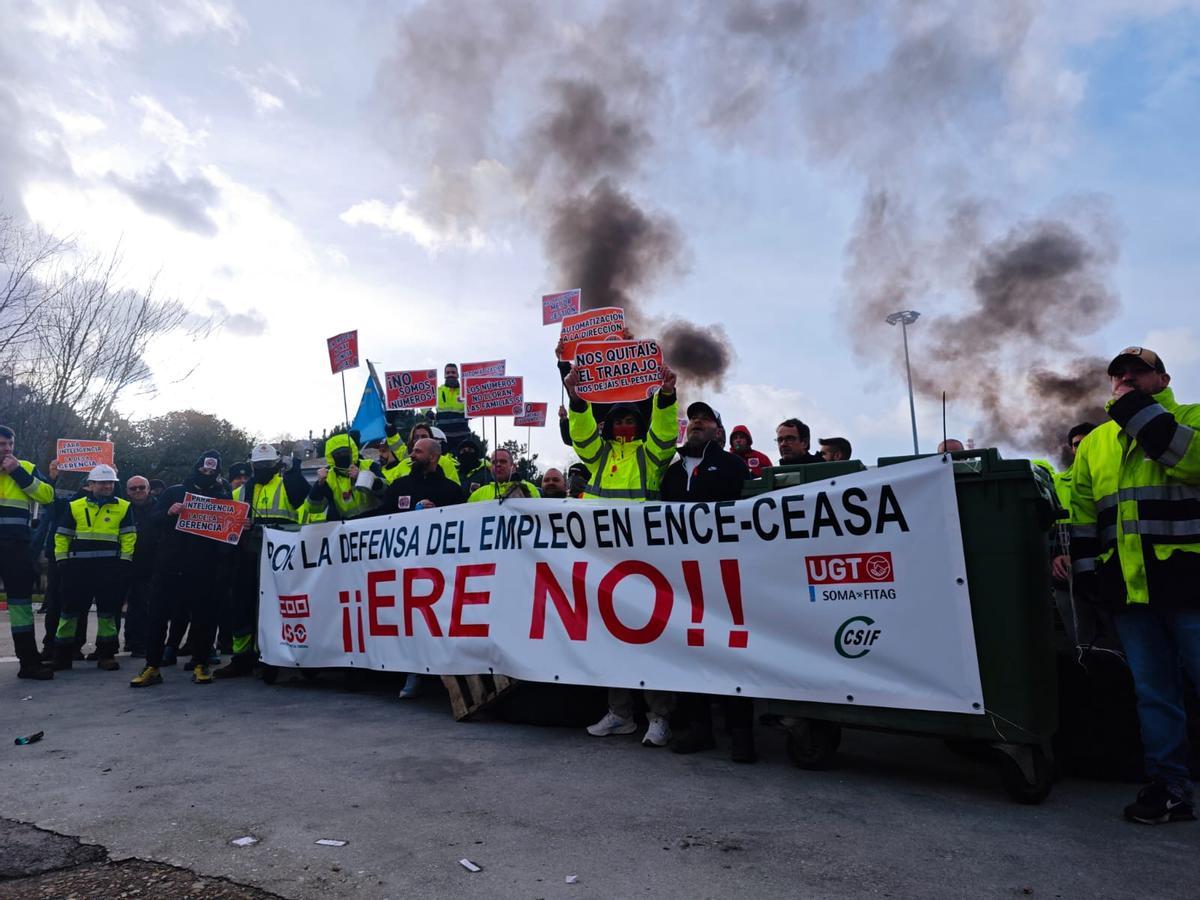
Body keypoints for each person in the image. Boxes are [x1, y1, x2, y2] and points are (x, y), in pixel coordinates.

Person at [1070, 346, 1200, 824]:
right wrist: (1086, 574)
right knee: (1154, 692)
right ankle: (1169, 788)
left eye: (1138, 373)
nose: (1125, 378)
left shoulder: (1192, 418)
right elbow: (1083, 514)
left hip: (1190, 581)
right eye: (1118, 374)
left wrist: (1135, 414)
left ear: (1162, 381)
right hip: (1129, 589)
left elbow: (1190, 462)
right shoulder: (1099, 443)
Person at [563, 364, 679, 744]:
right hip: (603, 563)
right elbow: (581, 437)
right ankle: (620, 713)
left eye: (630, 419)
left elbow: (664, 432)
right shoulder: (597, 456)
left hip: (647, 562)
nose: (623, 425)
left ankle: (659, 717)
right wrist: (578, 400)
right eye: (618, 420)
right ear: (609, 427)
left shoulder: (652, 455)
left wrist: (664, 396)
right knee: (610, 640)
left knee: (652, 641)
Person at [660, 402, 755, 760]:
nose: (697, 422)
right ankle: (700, 728)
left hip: (725, 574)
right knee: (690, 649)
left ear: (718, 429)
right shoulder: (671, 473)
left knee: (732, 650)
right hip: (683, 577)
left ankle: (741, 731)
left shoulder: (732, 465)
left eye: (706, 418)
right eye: (694, 418)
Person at [131, 451, 233, 687]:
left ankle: (200, 664)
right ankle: (152, 666)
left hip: (203, 570)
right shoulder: (175, 492)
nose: (206, 474)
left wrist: (242, 525)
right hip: (169, 567)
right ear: (196, 469)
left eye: (211, 471)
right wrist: (169, 513)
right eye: (203, 470)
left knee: (202, 620)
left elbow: (230, 536)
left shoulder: (222, 497)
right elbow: (153, 520)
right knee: (157, 618)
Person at [376, 437, 465, 698]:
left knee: (441, 623)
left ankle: (446, 679)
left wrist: (439, 512)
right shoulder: (400, 485)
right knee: (413, 622)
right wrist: (344, 524)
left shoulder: (450, 489)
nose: (412, 455)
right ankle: (413, 674)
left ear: (434, 457)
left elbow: (465, 520)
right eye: (412, 450)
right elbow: (382, 515)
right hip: (406, 570)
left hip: (442, 572)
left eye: (418, 451)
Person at [215, 442, 310, 678]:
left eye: (267, 465)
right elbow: (227, 525)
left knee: (276, 608)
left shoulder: (287, 484)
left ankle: (270, 655)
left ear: (277, 463)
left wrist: (294, 470)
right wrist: (240, 524)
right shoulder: (241, 492)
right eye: (259, 465)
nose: (263, 469)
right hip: (247, 555)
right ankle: (241, 658)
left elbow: (303, 502)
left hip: (282, 556)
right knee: (242, 605)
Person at [51, 464, 136, 671]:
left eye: (110, 483)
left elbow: (128, 536)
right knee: (69, 612)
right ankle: (63, 655)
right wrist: (62, 561)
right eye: (102, 482)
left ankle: (106, 655)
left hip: (109, 569)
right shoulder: (75, 506)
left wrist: (124, 563)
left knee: (107, 614)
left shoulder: (124, 506)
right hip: (77, 569)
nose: (107, 486)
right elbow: (62, 534)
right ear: (91, 484)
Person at [0, 424, 57, 679]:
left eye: (10, 444)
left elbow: (47, 495)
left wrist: (18, 473)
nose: (7, 449)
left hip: (16, 547)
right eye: (2, 444)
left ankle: (29, 663)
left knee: (21, 606)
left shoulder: (27, 467)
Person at [305, 432, 385, 521]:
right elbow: (313, 508)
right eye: (337, 454)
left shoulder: (369, 465)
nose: (342, 456)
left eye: (345, 452)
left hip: (376, 522)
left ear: (352, 451)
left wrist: (361, 476)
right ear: (331, 456)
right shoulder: (329, 477)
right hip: (348, 529)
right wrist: (319, 485)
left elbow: (386, 490)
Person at [121, 475, 157, 657]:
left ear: (148, 488)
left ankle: (139, 643)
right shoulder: (121, 507)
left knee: (142, 605)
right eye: (133, 488)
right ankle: (124, 641)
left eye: (141, 487)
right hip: (123, 562)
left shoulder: (159, 507)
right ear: (127, 491)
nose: (138, 491)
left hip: (149, 563)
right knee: (118, 606)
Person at [385, 422, 462, 485]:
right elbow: (389, 486)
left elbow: (454, 490)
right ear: (412, 441)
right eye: (416, 437)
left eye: (424, 436)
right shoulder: (404, 464)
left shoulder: (445, 462)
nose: (420, 440)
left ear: (432, 439)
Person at [467, 448, 540, 501]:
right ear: (490, 467)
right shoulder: (477, 495)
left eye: (503, 461)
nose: (498, 464)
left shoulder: (530, 489)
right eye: (494, 462)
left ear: (513, 467)